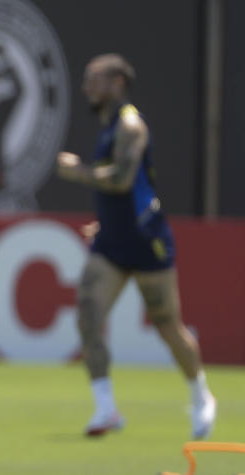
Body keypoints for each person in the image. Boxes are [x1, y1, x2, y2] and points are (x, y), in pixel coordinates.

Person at [56, 53, 216, 439]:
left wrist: (78, 171)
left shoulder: (130, 126)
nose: (87, 88)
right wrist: (107, 223)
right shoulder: (108, 125)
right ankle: (106, 409)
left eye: (95, 80)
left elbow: (124, 180)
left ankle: (200, 395)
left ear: (117, 83)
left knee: (166, 325)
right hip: (112, 241)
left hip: (147, 241)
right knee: (88, 317)